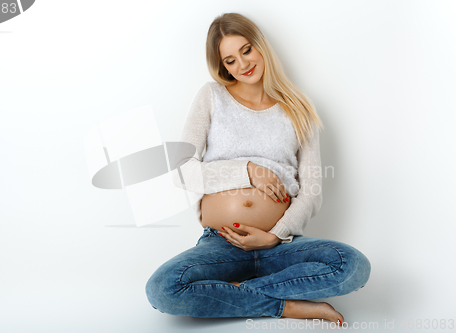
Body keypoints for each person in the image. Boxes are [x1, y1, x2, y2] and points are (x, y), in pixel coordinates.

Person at [145, 13, 371, 325]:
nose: (243, 64)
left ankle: (237, 294)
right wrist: (248, 170)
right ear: (223, 66)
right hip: (222, 243)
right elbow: (183, 170)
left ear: (260, 46)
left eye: (246, 50)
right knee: (162, 288)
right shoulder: (212, 96)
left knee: (353, 265)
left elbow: (312, 192)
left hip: (280, 246)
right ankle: (287, 306)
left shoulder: (299, 107)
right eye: (230, 60)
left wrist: (274, 235)